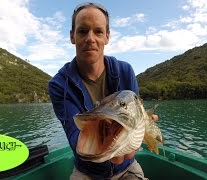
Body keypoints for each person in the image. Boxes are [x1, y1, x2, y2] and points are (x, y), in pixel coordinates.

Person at [48, 2, 156, 179]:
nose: (90, 38)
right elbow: (76, 136)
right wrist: (109, 147)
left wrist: (140, 130)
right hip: (87, 172)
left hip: (126, 168)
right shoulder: (59, 85)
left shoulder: (126, 71)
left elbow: (136, 117)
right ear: (72, 36)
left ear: (107, 36)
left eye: (98, 31)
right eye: (83, 31)